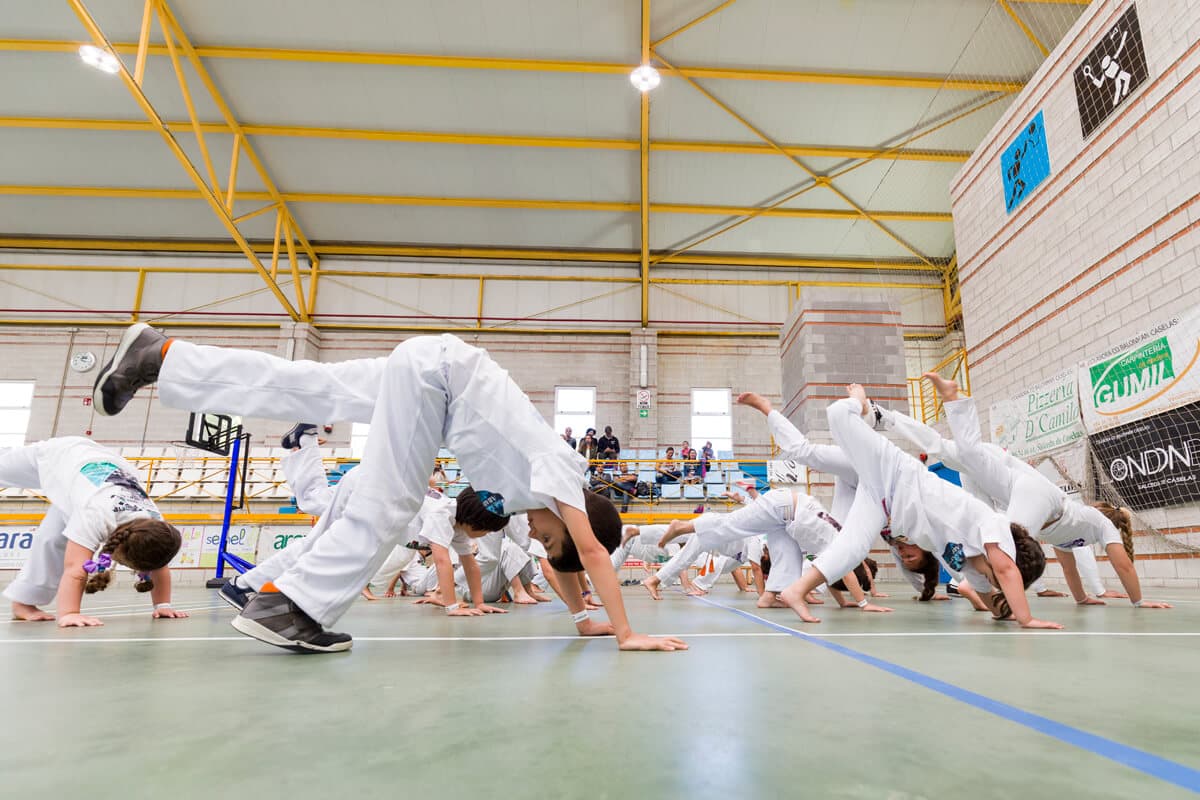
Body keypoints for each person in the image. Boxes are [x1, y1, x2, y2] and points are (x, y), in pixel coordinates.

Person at [92, 323, 686, 653]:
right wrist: (628, 632)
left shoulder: (543, 498)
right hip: (440, 379)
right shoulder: (563, 481)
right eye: (548, 539)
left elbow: (567, 564)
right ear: (576, 519)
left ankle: (161, 358)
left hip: (433, 367)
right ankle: (288, 605)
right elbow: (586, 555)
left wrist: (586, 620)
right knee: (394, 499)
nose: (535, 536)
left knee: (308, 387)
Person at [778, 385, 1056, 628]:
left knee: (853, 547)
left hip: (886, 504)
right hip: (897, 474)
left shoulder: (974, 568)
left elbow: (991, 601)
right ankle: (860, 401)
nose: (1000, 583)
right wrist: (1026, 618)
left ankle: (796, 590)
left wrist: (1002, 611)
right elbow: (1007, 571)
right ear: (1014, 559)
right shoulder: (994, 527)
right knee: (839, 415)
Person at [922, 372, 1170, 611]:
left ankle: (941, 423)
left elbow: (1072, 568)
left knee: (969, 465)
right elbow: (1122, 565)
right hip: (1032, 492)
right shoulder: (1090, 524)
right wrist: (1138, 601)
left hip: (1030, 501)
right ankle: (967, 582)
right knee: (971, 460)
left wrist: (1082, 598)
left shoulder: (1087, 524)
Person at [0, 437, 184, 627]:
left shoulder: (154, 525)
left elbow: (159, 564)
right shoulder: (96, 516)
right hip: (64, 453)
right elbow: (75, 568)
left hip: (93, 476)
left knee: (52, 540)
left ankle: (23, 604)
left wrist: (163, 604)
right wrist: (70, 613)